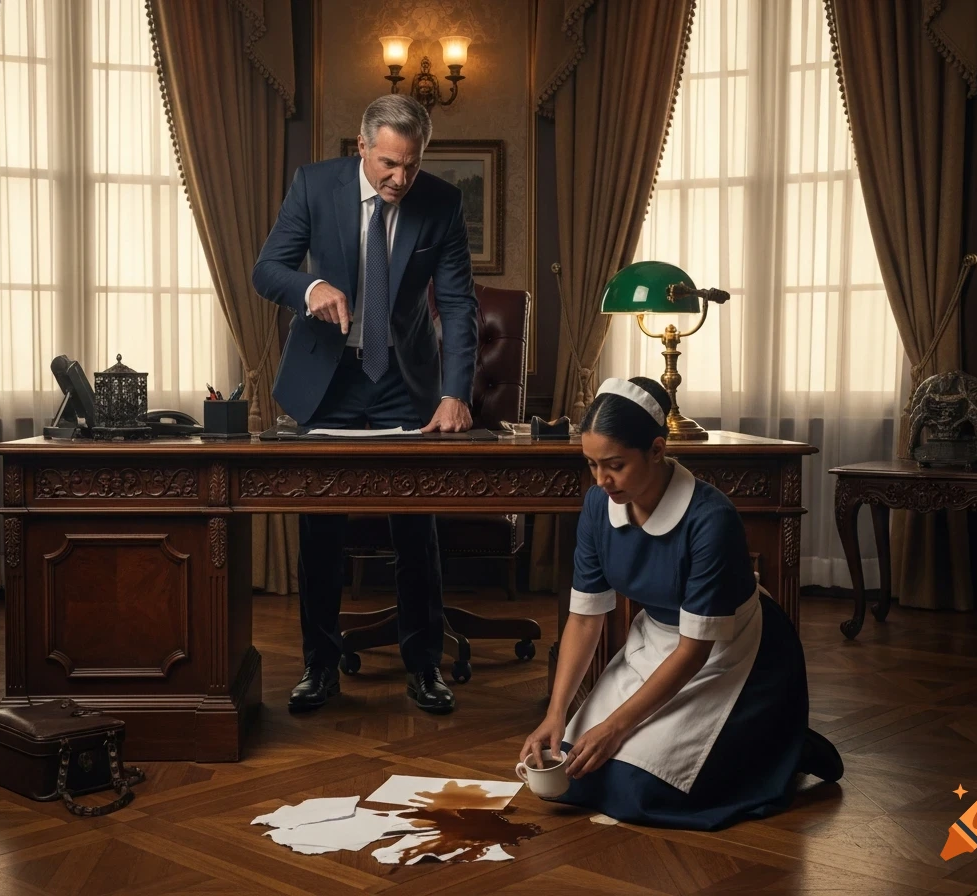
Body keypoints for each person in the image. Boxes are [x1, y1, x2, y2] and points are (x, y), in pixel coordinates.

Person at [520, 376, 843, 830]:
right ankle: (765, 740)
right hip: (658, 641)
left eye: (614, 464)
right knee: (573, 771)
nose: (601, 480)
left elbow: (695, 649)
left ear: (656, 450)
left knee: (642, 792)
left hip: (731, 652)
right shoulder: (598, 505)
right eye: (591, 464)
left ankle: (781, 743)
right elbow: (584, 618)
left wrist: (614, 726)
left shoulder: (711, 519)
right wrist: (557, 714)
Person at [252, 94, 478, 715]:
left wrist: (455, 391)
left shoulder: (441, 201)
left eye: (409, 164)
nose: (398, 179)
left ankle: (425, 666)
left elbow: (458, 304)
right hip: (330, 381)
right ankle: (319, 667)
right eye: (386, 164)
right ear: (361, 148)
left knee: (416, 530)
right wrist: (310, 285)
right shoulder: (314, 186)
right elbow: (266, 269)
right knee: (321, 532)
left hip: (404, 382)